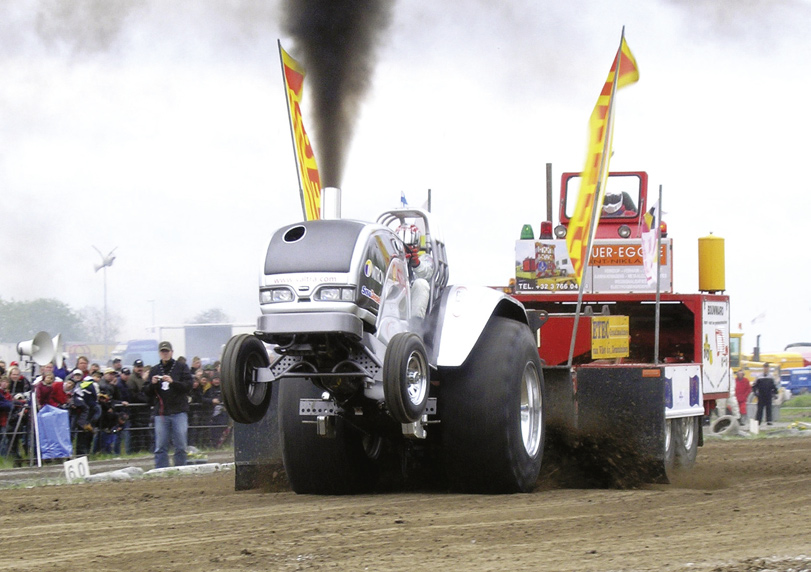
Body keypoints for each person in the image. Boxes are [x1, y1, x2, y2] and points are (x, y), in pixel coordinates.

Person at [145, 341, 192, 468]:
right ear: (159, 353)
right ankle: (161, 470)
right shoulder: (155, 369)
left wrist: (173, 382)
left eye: (167, 351)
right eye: (162, 352)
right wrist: (153, 383)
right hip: (161, 413)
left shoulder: (181, 367)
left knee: (181, 445)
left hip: (179, 412)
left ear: (172, 352)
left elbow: (188, 386)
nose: (165, 354)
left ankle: (181, 468)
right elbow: (147, 392)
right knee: (160, 446)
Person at [397, 223, 434, 319]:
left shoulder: (425, 258)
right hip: (395, 300)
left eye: (409, 245)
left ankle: (415, 325)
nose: (405, 248)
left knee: (421, 283)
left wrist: (416, 263)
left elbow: (428, 274)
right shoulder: (391, 258)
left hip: (412, 301)